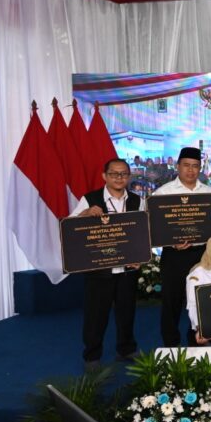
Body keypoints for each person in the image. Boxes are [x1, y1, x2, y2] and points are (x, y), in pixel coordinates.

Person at [69, 158, 141, 371]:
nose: (119, 178)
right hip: (99, 269)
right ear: (104, 176)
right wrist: (85, 214)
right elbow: (70, 228)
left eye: (123, 174)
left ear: (129, 177)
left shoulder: (137, 200)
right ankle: (92, 355)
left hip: (127, 269)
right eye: (114, 173)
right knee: (96, 314)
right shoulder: (90, 199)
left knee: (127, 312)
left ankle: (126, 349)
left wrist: (140, 257)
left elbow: (142, 232)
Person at [149, 147, 211, 347]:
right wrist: (171, 241)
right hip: (174, 255)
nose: (190, 170)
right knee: (172, 301)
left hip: (202, 254)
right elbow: (152, 226)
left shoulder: (209, 193)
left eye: (195, 166)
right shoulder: (163, 192)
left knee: (201, 299)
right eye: (186, 165)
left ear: (200, 168)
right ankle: (171, 344)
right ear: (178, 166)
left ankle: (197, 340)